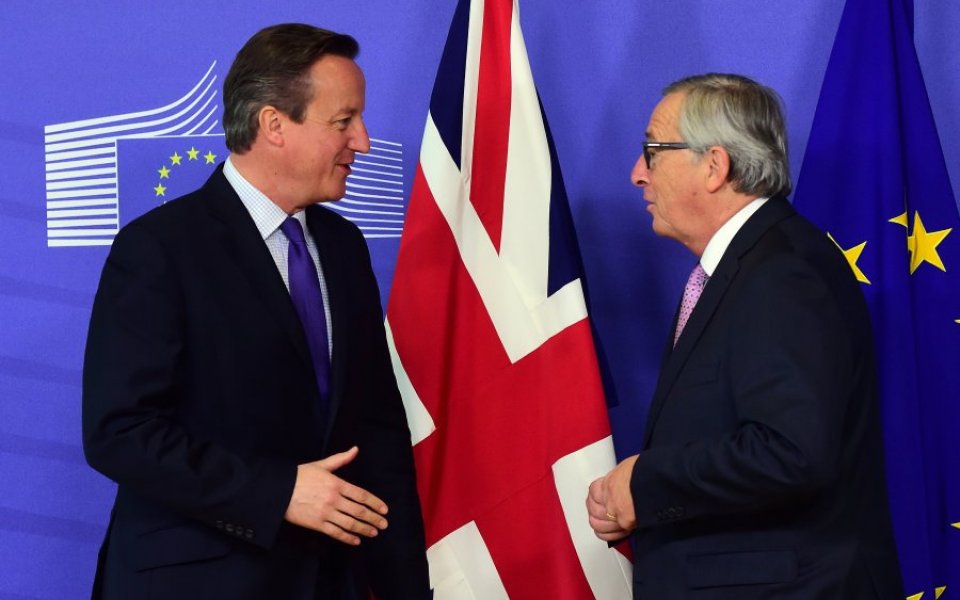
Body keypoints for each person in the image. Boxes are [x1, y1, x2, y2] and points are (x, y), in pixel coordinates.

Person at [82, 23, 430, 599]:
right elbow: (120, 432)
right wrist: (277, 492)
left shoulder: (344, 246)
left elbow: (377, 433)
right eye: (343, 121)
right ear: (274, 124)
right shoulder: (160, 249)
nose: (364, 142)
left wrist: (406, 589)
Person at [587, 74, 903, 597]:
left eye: (653, 151)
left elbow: (790, 451)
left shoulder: (782, 273)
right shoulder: (747, 268)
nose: (637, 173)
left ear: (714, 166)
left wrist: (647, 484)